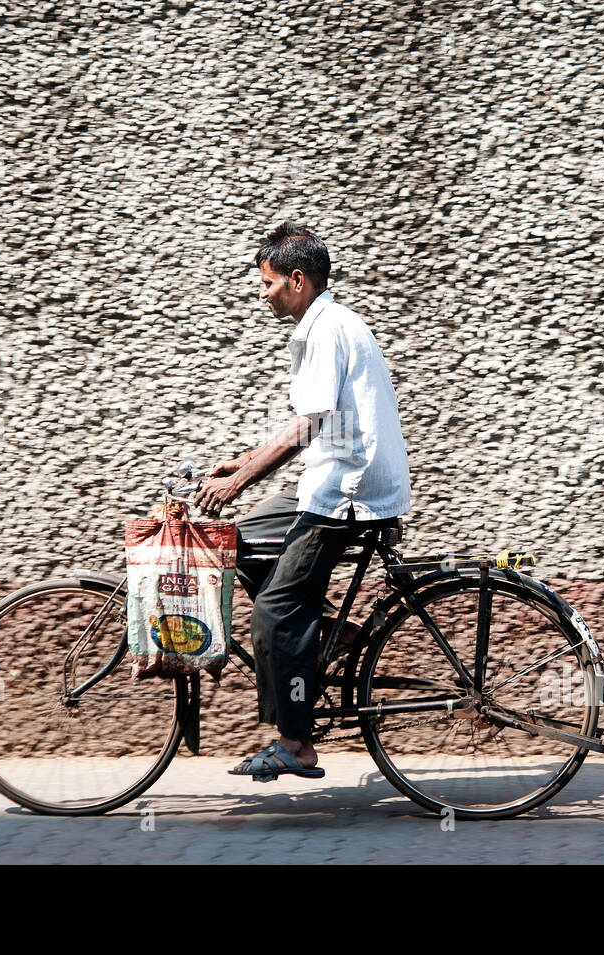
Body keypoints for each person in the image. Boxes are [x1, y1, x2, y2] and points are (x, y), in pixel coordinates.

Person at [193, 222, 411, 782]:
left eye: (267, 284)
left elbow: (310, 425)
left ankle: (296, 743)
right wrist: (242, 461)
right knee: (236, 541)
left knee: (273, 614)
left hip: (348, 492)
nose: (263, 294)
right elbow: (314, 421)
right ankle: (328, 633)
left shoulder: (328, 329)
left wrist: (240, 481)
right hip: (328, 480)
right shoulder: (324, 326)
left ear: (296, 279)